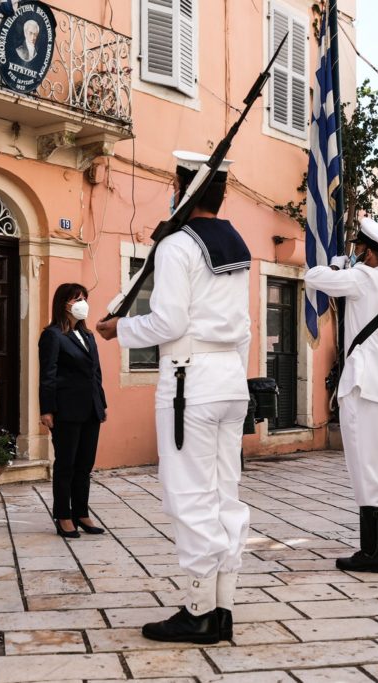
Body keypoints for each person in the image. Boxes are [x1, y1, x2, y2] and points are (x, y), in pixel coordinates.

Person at [96, 151, 250, 644]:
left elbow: (169, 323)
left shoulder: (178, 246)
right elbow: (242, 327)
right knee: (226, 494)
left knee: (189, 495)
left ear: (182, 190)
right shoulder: (236, 245)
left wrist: (121, 328)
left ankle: (198, 610)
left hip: (190, 380)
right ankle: (223, 606)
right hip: (229, 379)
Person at [306, 219, 378, 571]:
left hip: (364, 387)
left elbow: (314, 277)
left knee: (366, 469)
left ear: (366, 251)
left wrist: (338, 265)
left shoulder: (364, 278)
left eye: (358, 249)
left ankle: (373, 554)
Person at [39, 283, 107, 538]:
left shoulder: (88, 335)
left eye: (84, 298)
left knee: (84, 464)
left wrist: (101, 403)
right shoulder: (52, 335)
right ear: (64, 303)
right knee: (66, 464)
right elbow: (48, 374)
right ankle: (63, 516)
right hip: (66, 410)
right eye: (77, 298)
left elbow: (95, 374)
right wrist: (47, 409)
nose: (82, 303)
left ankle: (81, 512)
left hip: (91, 409)